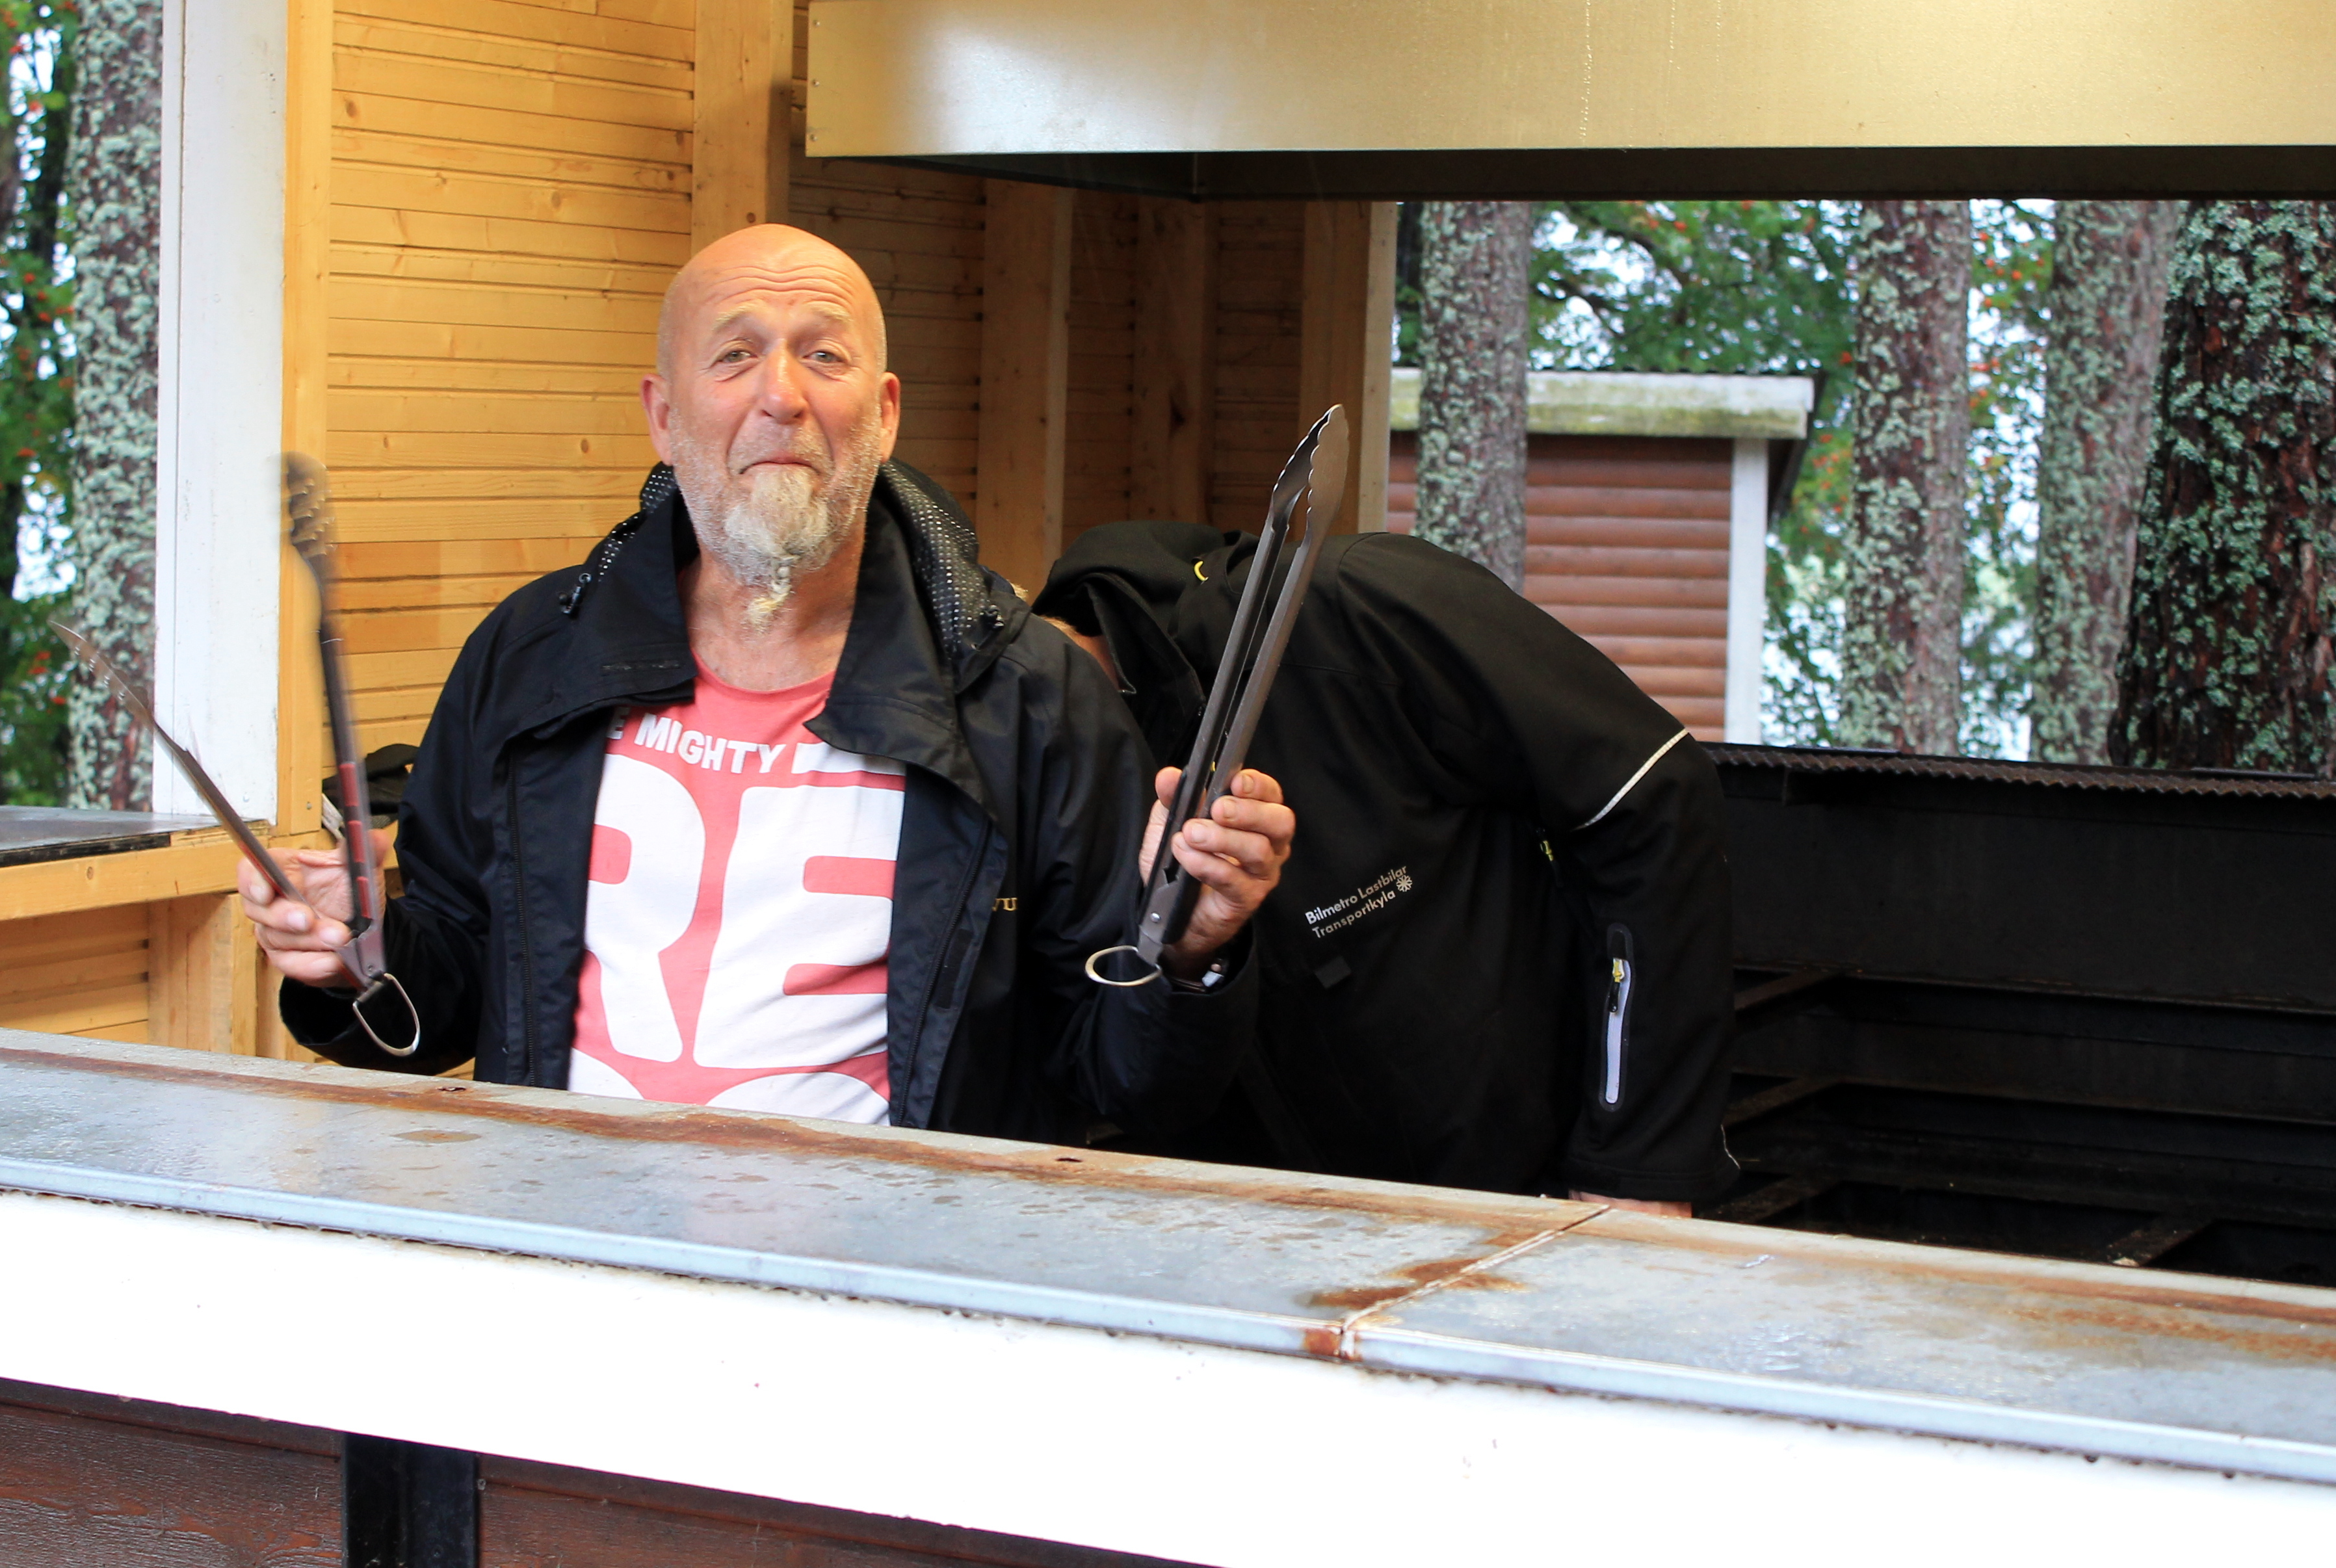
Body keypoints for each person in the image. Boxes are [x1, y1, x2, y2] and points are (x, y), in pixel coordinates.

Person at [240, 225, 1294, 1144]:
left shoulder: (1026, 696)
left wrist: (1191, 949)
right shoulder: (533, 657)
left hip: (890, 1283)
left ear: (884, 414)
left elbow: (1126, 1084)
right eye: (734, 354)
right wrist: (356, 952)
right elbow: (449, 996)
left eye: (823, 355)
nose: (781, 396)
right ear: (663, 415)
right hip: (576, 1259)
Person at [1036, 521, 1735, 1210]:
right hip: (1284, 1235)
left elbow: (1652, 797)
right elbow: (1121, 1085)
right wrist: (1187, 958)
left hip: (1538, 1197)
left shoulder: (1349, 607)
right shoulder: (1041, 802)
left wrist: (1639, 1164)